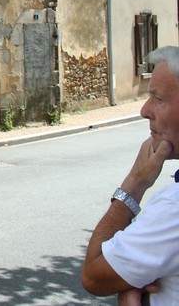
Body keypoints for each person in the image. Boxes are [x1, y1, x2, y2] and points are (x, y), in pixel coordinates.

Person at [82, 45, 179, 305]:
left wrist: (134, 182)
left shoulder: (174, 208)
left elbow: (94, 275)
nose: (145, 110)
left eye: (158, 99)